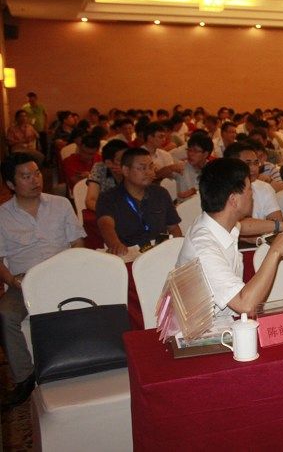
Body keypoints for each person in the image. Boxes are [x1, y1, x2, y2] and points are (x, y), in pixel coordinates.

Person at [0, 153, 85, 408]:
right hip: (24, 283)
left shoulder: (60, 204)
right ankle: (25, 377)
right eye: (26, 176)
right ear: (11, 184)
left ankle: (82, 365)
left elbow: (77, 242)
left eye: (36, 173)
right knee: (5, 314)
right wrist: (11, 280)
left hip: (62, 277)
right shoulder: (2, 216)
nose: (35, 180)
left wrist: (74, 270)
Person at [176, 158, 283, 317]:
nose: (252, 194)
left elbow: (245, 226)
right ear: (233, 200)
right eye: (249, 189)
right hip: (203, 330)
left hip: (225, 324)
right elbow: (246, 305)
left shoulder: (219, 222)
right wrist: (274, 252)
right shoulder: (203, 248)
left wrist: (282, 226)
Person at [96, 148, 182, 256]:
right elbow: (106, 226)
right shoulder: (108, 198)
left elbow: (173, 228)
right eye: (142, 168)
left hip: (160, 252)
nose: (148, 172)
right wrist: (115, 244)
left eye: (151, 167)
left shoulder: (160, 193)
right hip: (129, 254)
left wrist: (178, 249)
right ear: (126, 170)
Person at [85, 139, 129, 211]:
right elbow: (90, 201)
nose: (127, 162)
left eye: (128, 158)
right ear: (109, 163)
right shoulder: (99, 168)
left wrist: (128, 175)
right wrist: (111, 211)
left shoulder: (133, 168)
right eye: (121, 160)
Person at [175, 133, 213, 200]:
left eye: (195, 151)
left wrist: (196, 192)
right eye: (189, 150)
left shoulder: (213, 170)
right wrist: (170, 168)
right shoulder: (181, 167)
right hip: (183, 205)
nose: (190, 154)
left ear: (205, 154)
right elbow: (158, 176)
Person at [21, 92, 48, 158]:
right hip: (30, 130)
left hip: (41, 129)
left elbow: (45, 115)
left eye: (32, 100)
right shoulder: (24, 107)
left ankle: (45, 159)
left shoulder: (41, 106)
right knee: (33, 146)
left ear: (36, 99)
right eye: (29, 101)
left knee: (44, 145)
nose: (31, 102)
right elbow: (22, 117)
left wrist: (45, 125)